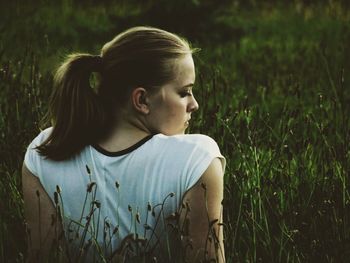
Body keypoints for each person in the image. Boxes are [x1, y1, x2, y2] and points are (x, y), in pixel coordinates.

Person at [22, 26, 226, 262]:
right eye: (184, 92)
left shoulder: (44, 152)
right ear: (141, 100)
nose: (194, 104)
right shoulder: (196, 159)